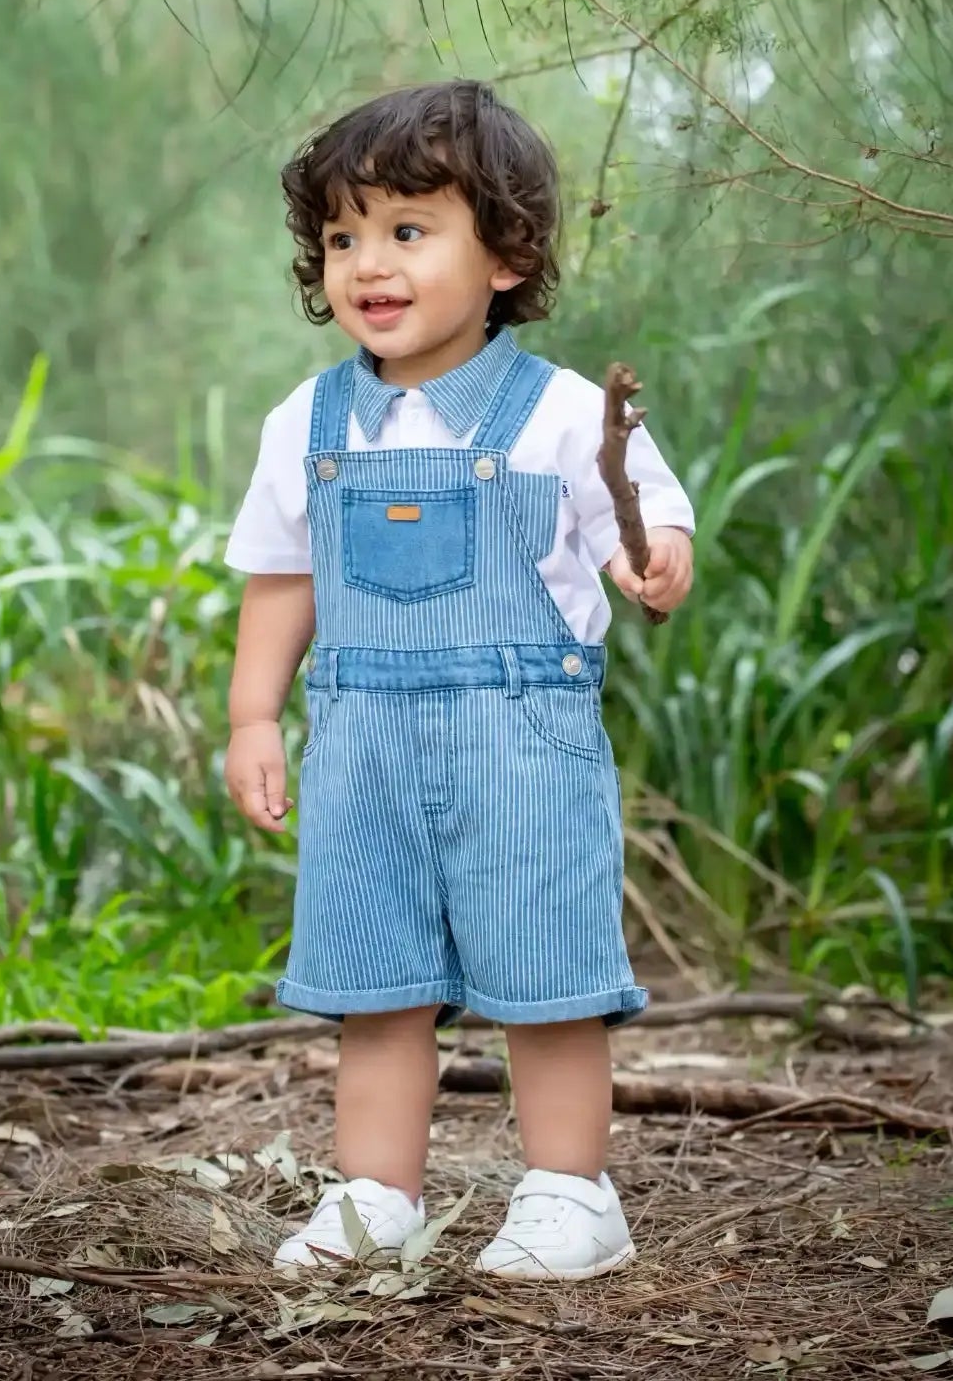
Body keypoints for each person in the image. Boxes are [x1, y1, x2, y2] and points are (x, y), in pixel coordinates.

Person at [223, 79, 694, 1281]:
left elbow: (645, 521)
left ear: (506, 256)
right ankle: (374, 1195)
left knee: (546, 976)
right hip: (362, 750)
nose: (367, 265)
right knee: (374, 982)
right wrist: (252, 714)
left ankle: (571, 1194)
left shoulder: (562, 413)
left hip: (519, 742)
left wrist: (647, 560)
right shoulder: (308, 423)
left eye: (406, 230)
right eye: (342, 237)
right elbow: (280, 578)